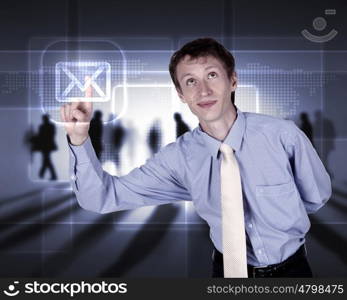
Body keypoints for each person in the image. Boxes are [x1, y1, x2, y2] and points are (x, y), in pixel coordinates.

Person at [60, 38, 331, 278]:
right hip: (224, 274)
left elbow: (315, 196)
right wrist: (80, 139)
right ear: (181, 94)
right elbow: (102, 197)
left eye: (212, 75)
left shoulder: (282, 136)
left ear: (233, 80)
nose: (203, 90)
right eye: (191, 81)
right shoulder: (178, 158)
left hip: (292, 272)